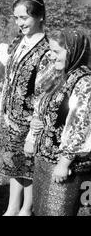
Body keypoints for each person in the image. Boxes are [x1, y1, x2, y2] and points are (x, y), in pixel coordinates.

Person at [25, 29, 91, 216]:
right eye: (50, 51)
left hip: (64, 166)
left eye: (56, 52)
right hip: (44, 160)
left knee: (57, 210)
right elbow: (45, 107)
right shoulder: (60, 75)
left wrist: (64, 162)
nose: (51, 56)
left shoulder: (84, 81)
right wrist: (36, 125)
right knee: (42, 210)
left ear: (72, 51)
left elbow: (81, 124)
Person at [0, 0, 51, 216]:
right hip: (10, 119)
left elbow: (43, 95)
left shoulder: (46, 50)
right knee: (14, 167)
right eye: (16, 18)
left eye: (24, 18)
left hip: (29, 123)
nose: (19, 23)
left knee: (28, 169)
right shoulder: (19, 43)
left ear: (39, 17)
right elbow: (8, 80)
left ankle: (26, 209)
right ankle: (12, 207)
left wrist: (33, 134)